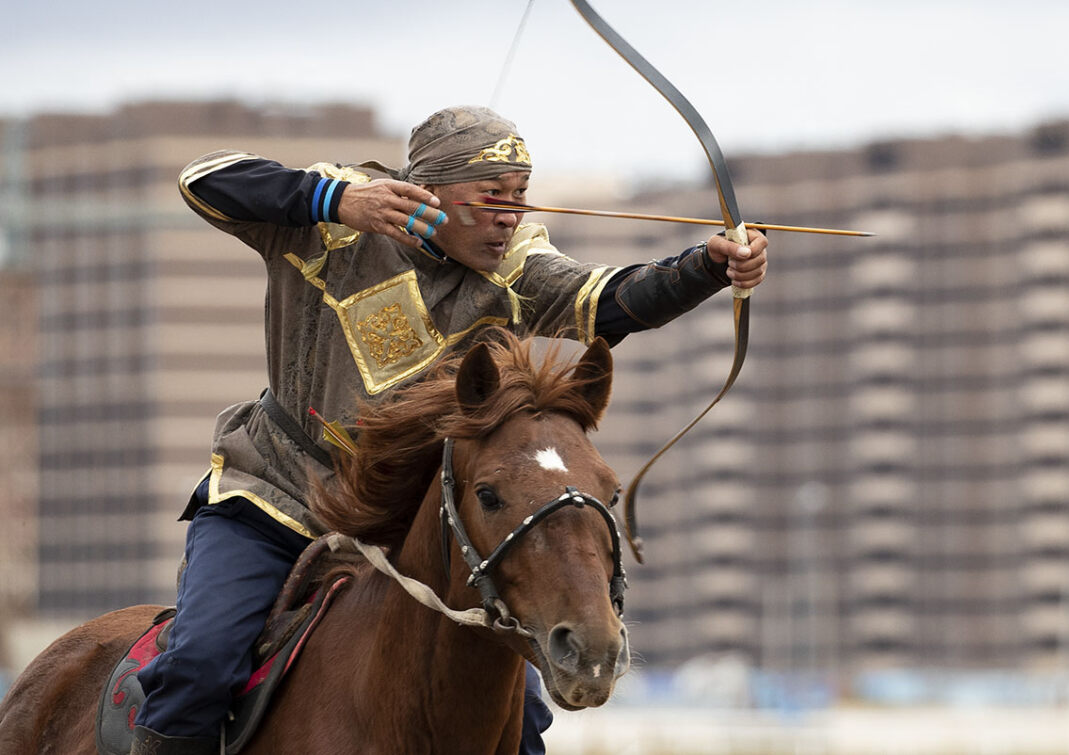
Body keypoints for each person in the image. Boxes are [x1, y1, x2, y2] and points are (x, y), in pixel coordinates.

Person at [132, 105, 767, 754]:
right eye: (492, 196)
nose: (509, 215)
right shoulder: (336, 218)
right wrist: (335, 198)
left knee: (520, 726)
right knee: (200, 664)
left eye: (520, 196)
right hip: (272, 501)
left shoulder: (518, 267)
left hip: (399, 537)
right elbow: (202, 179)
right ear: (430, 192)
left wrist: (708, 268)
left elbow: (612, 299)